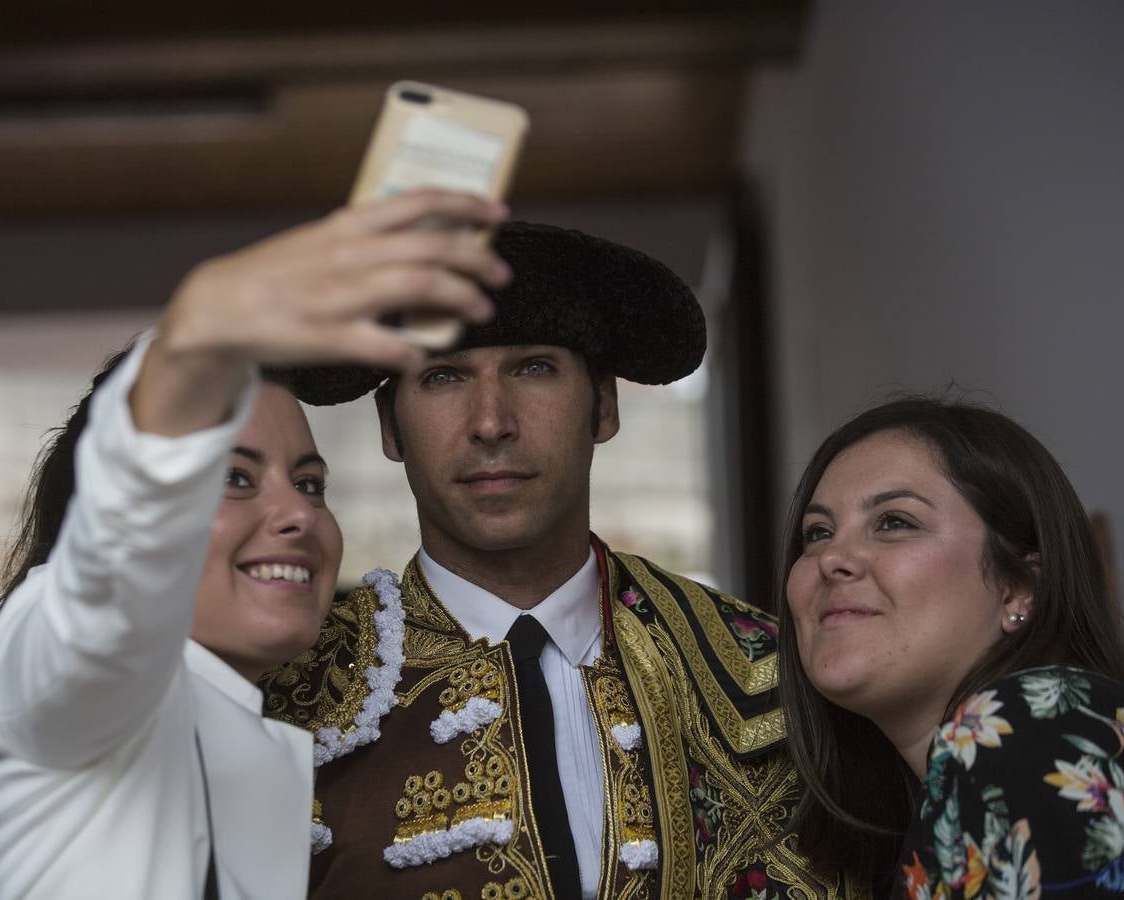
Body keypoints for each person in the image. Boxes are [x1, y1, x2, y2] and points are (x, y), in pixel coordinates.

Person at [0, 189, 512, 899]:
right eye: (234, 478)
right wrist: (196, 337)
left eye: (311, 485)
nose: (297, 515)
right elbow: (112, 569)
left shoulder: (240, 725)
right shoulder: (50, 661)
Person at [261, 222, 863, 899]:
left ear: (603, 406)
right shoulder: (291, 697)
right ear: (390, 426)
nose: (491, 421)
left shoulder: (767, 672)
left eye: (534, 369)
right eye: (442, 377)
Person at [778, 397, 1124, 897]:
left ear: (1019, 589)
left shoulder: (1032, 730)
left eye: (894, 522)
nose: (832, 557)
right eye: (817, 533)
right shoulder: (950, 790)